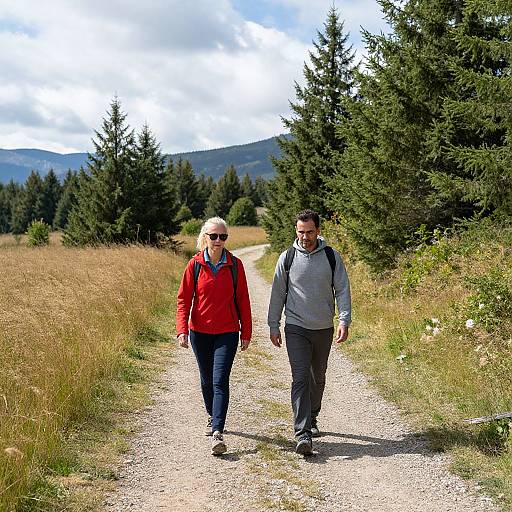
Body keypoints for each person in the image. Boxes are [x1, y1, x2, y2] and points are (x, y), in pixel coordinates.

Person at [267, 209, 351, 455]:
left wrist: (344, 320)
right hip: (296, 327)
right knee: (301, 377)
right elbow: (277, 293)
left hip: (323, 327)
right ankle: (302, 433)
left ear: (318, 231)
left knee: (318, 376)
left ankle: (312, 416)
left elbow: (342, 290)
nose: (305, 236)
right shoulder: (288, 257)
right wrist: (274, 324)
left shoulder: (332, 257)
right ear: (296, 231)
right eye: (301, 232)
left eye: (310, 232)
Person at [176, 217, 252, 455]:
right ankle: (212, 415)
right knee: (206, 379)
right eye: (214, 236)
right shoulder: (195, 265)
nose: (218, 241)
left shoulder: (235, 265)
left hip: (227, 333)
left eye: (223, 236)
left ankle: (218, 430)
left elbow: (243, 302)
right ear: (205, 237)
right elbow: (183, 300)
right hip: (200, 333)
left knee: (220, 380)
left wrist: (246, 333)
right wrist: (182, 330)